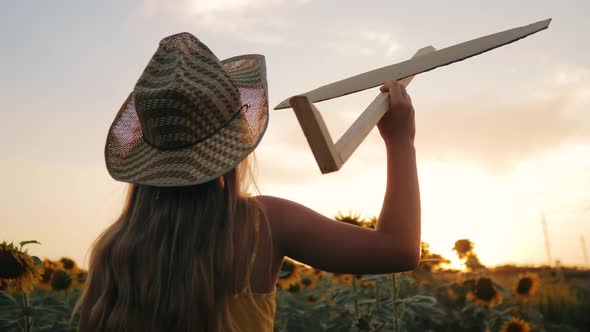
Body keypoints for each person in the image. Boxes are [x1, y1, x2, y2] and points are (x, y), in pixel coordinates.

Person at [74, 32, 420, 331]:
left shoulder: (114, 252)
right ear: (233, 145)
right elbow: (398, 250)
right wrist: (400, 140)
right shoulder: (261, 225)